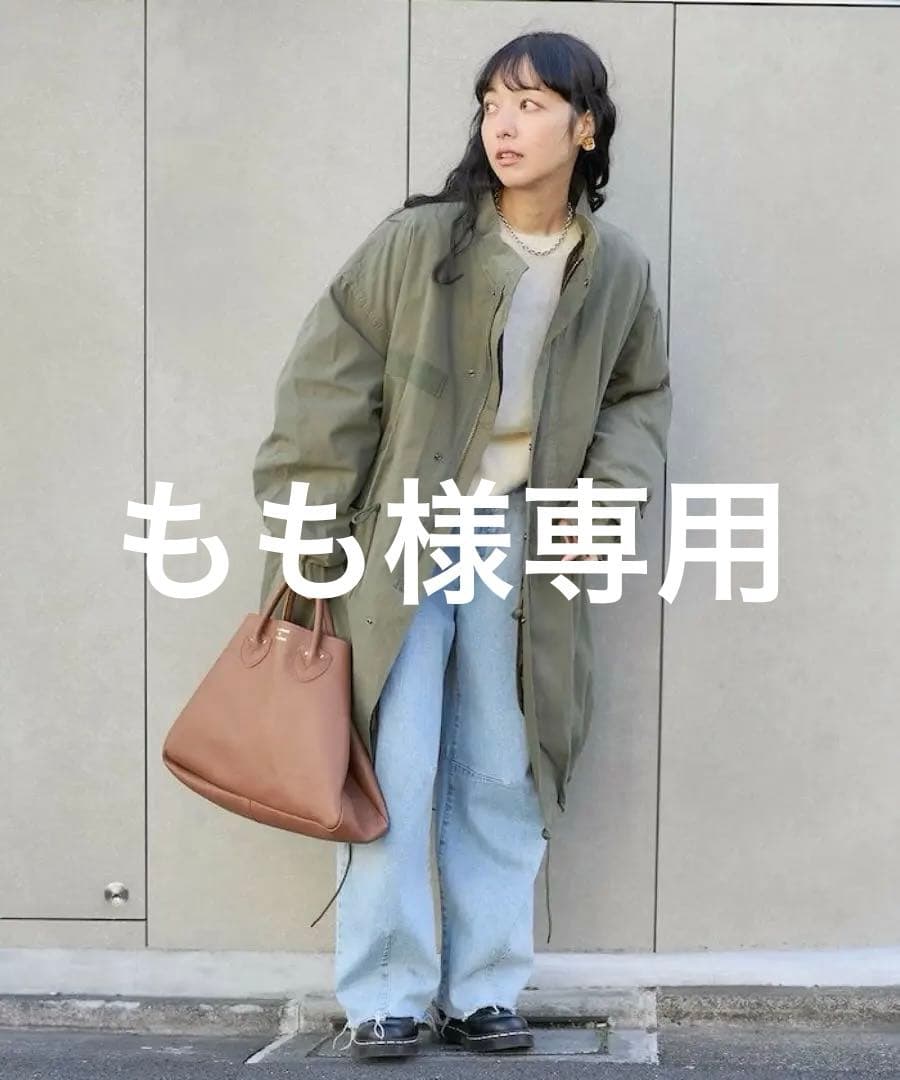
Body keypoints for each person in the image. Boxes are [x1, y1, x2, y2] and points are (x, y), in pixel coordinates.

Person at [252, 30, 672, 1063]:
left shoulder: (614, 268)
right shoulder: (421, 242)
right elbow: (328, 384)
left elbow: (639, 396)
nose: (503, 124)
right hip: (399, 529)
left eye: (530, 104)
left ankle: (484, 987)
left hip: (522, 541)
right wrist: (309, 527)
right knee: (390, 759)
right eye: (491, 103)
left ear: (585, 127)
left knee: (500, 762)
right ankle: (386, 992)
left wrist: (606, 497)